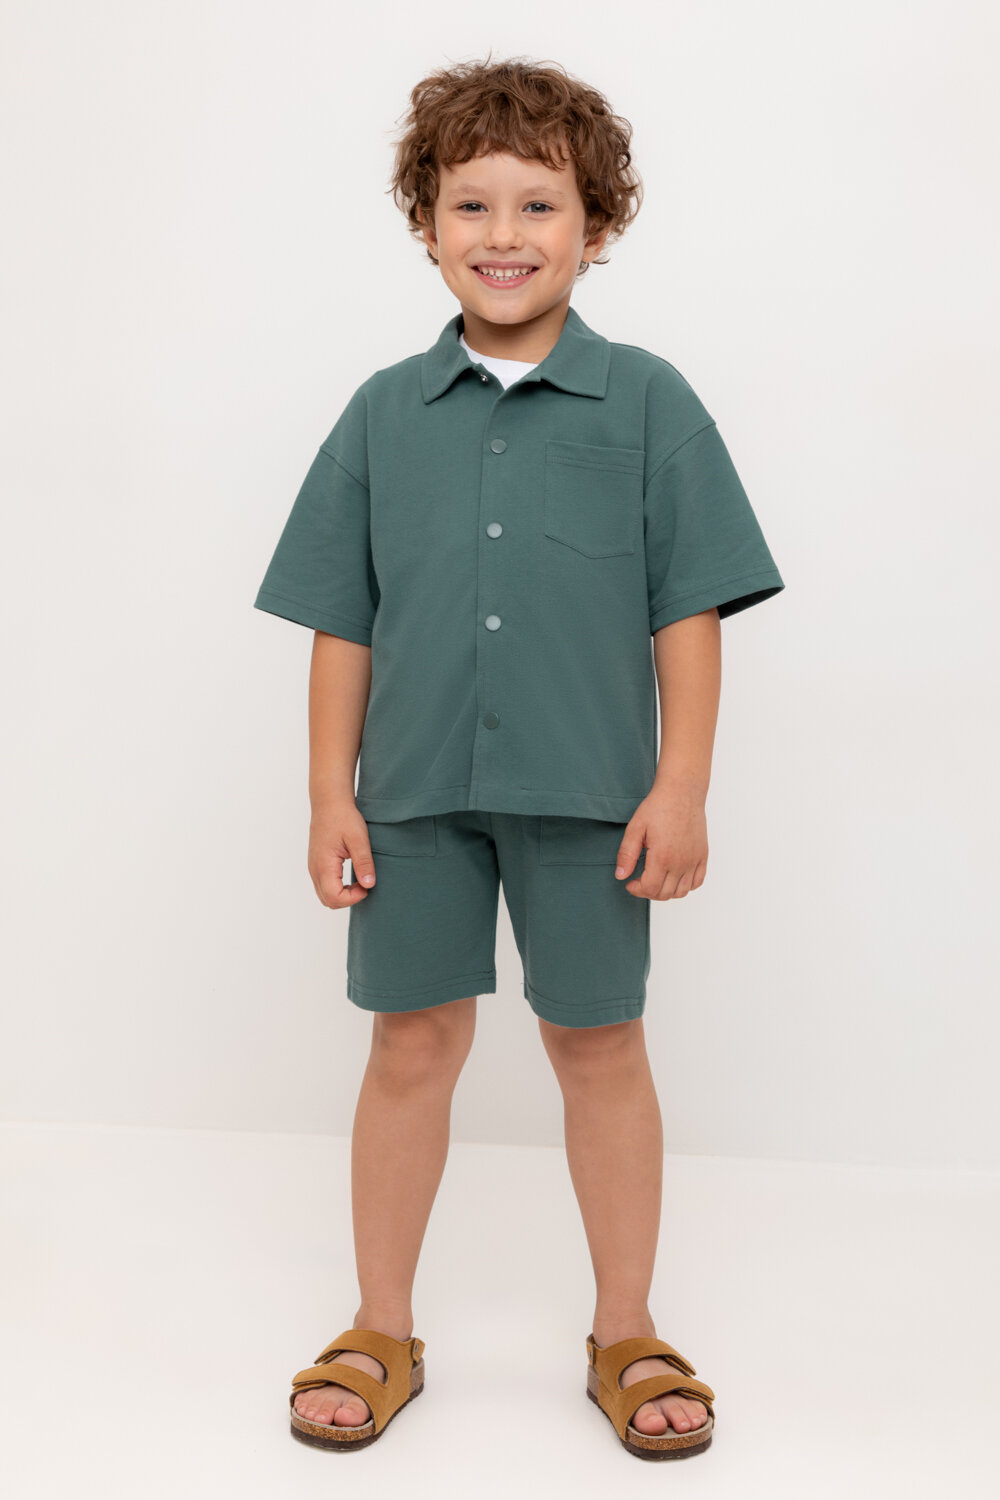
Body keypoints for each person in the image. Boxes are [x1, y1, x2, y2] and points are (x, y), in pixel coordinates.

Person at [254, 55, 785, 1460]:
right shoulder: (381, 413)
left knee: (599, 1046)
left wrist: (682, 785)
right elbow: (342, 620)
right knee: (409, 1045)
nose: (504, 234)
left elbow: (688, 612)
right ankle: (380, 1326)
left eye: (539, 205)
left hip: (593, 797)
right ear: (427, 224)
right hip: (413, 795)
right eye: (471, 204)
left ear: (595, 227)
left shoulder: (652, 403)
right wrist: (328, 795)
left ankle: (628, 1329)